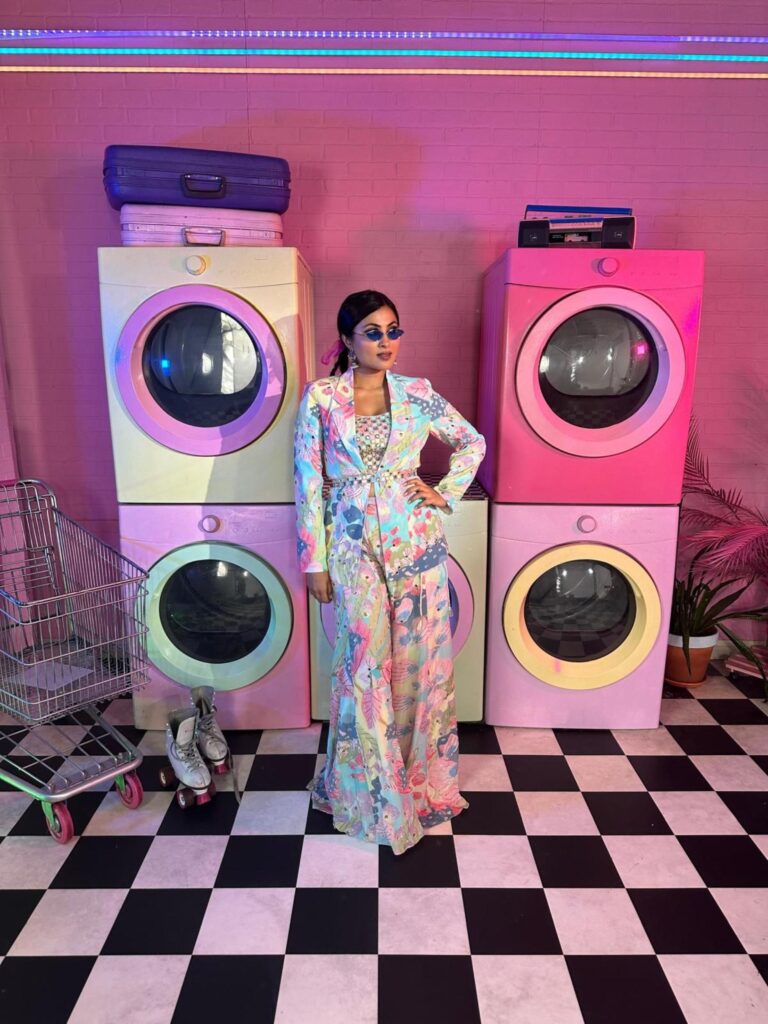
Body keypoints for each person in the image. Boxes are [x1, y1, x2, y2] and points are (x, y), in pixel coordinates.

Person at [293, 289, 486, 855]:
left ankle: (420, 785)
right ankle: (370, 795)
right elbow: (307, 480)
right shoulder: (322, 397)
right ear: (347, 340)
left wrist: (444, 491)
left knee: (420, 665)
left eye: (393, 331)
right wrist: (313, 559)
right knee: (363, 664)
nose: (386, 342)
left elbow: (471, 442)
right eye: (373, 332)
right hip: (352, 546)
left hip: (416, 543)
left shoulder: (417, 392)